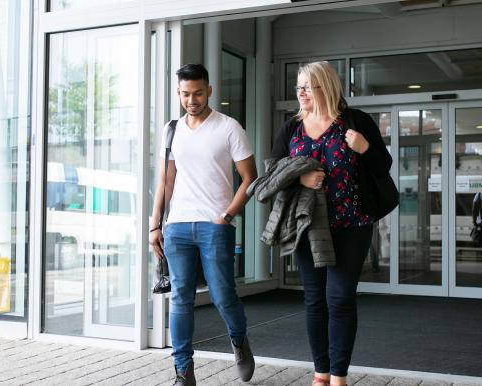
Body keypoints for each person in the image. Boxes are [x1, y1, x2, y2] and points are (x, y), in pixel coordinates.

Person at [270, 61, 392, 386]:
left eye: (308, 85)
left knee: (339, 297)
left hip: (352, 225)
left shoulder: (356, 122)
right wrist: (300, 178)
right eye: (298, 86)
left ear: (326, 86)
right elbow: (273, 175)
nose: (301, 91)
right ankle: (320, 373)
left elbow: (383, 165)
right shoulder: (290, 129)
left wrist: (364, 148)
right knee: (314, 298)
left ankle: (338, 375)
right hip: (307, 228)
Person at [149, 63, 258, 386]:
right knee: (180, 297)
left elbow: (250, 179)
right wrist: (156, 224)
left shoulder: (228, 128)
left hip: (215, 225)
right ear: (178, 93)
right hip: (178, 225)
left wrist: (226, 216)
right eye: (185, 94)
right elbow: (166, 179)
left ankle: (239, 341)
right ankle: (183, 370)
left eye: (198, 93)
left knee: (223, 295)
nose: (191, 100)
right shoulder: (172, 130)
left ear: (209, 90)